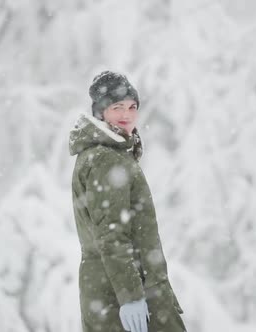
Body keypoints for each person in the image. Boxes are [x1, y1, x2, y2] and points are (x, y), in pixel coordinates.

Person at [69, 71, 187, 332]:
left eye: (132, 106)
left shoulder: (105, 154)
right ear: (101, 112)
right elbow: (112, 234)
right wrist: (131, 296)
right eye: (117, 107)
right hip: (122, 292)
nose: (127, 114)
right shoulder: (106, 159)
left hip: (113, 287)